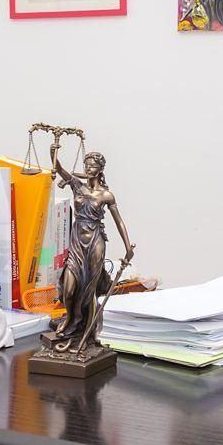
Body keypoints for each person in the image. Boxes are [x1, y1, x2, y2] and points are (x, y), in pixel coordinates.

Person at [47, 150, 134, 353]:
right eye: (86, 164)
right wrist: (54, 152)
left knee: (89, 289)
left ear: (100, 169)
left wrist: (128, 247)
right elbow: (59, 169)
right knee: (68, 288)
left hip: (95, 242)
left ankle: (88, 329)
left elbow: (118, 221)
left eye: (92, 165)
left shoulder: (106, 195)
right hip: (77, 242)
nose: (88, 168)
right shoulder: (77, 186)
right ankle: (71, 318)